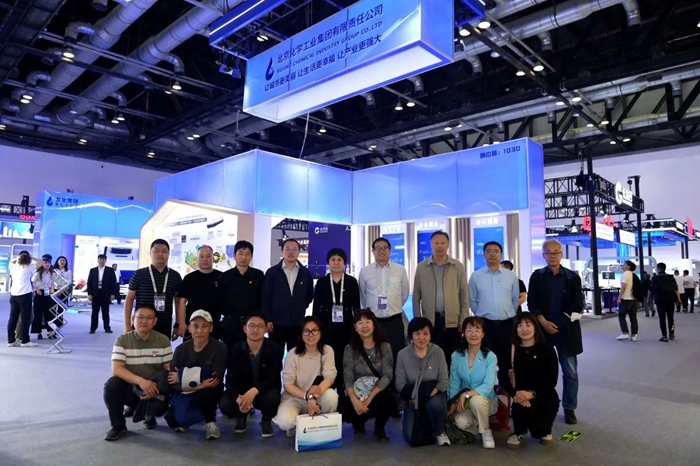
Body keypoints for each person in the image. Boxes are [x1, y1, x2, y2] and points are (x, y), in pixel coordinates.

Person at [527, 239, 584, 425]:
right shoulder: (537, 276)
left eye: (556, 252)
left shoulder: (572, 277)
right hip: (543, 332)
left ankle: (569, 407)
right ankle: (541, 405)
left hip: (566, 332)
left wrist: (559, 324)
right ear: (543, 255)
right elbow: (532, 302)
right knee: (542, 372)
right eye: (549, 253)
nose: (553, 256)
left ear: (561, 254)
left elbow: (578, 304)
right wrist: (543, 322)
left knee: (570, 372)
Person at [103, 305, 173, 441]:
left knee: (165, 385)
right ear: (133, 319)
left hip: (153, 387)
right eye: (140, 317)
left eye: (149, 318)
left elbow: (168, 369)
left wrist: (157, 385)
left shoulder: (163, 340)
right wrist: (141, 382)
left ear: (155, 321)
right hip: (132, 386)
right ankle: (118, 426)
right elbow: (116, 369)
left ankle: (149, 415)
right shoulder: (122, 340)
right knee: (112, 384)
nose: (144, 321)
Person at [165, 310, 228, 440]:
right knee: (173, 421)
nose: (199, 331)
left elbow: (215, 378)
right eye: (195, 326)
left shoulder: (220, 348)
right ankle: (194, 414)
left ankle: (210, 421)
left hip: (208, 390)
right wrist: (199, 384)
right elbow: (172, 380)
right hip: (187, 390)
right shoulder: (181, 349)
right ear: (189, 327)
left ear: (211, 328)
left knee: (208, 391)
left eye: (204, 326)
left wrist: (182, 375)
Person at [272, 316, 339, 437]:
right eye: (306, 331)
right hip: (294, 397)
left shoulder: (327, 350)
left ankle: (320, 424)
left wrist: (313, 397)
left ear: (320, 333)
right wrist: (308, 396)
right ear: (301, 334)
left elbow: (330, 377)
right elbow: (288, 385)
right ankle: (300, 424)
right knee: (285, 422)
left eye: (315, 330)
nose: (310, 334)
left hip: (318, 395)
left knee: (332, 396)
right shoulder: (293, 354)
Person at [220, 313, 283, 438]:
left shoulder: (275, 349)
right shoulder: (236, 349)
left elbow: (273, 378)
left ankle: (266, 419)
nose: (255, 330)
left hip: (263, 391)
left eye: (260, 326)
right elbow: (230, 379)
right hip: (243, 393)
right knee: (225, 404)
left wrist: (254, 391)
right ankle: (242, 415)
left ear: (266, 329)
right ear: (245, 328)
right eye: (252, 326)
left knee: (273, 399)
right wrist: (239, 400)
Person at [469, 241, 520, 397]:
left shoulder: (511, 276)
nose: (492, 254)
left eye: (496, 251)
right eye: (489, 251)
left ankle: (505, 395)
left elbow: (514, 300)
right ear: (484, 254)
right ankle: (485, 395)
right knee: (484, 361)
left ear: (501, 254)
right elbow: (473, 301)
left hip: (506, 325)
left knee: (505, 362)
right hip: (485, 325)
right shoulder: (476, 276)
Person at [413, 231, 469, 366]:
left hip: (453, 321)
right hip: (430, 321)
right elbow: (416, 296)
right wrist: (418, 320)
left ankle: (453, 380)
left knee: (453, 356)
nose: (439, 246)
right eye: (436, 243)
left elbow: (464, 294)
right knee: (432, 356)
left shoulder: (457, 266)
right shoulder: (422, 267)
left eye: (442, 243)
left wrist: (463, 319)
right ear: (431, 244)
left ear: (448, 244)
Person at [505, 313, 559, 449]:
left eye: (528, 325)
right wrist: (515, 394)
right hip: (519, 395)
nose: (524, 329)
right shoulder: (511, 350)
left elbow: (552, 380)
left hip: (543, 394)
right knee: (520, 407)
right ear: (515, 329)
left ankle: (545, 430)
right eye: (520, 325)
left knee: (539, 431)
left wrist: (532, 393)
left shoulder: (547, 349)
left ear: (535, 327)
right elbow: (503, 376)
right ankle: (519, 432)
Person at [395, 317, 450, 446]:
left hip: (434, 395)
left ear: (430, 335)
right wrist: (418, 394)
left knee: (436, 404)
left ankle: (439, 430)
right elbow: (400, 384)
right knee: (410, 437)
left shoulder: (438, 352)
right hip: (412, 399)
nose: (421, 338)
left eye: (425, 333)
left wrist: (434, 391)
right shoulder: (402, 355)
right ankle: (427, 426)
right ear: (411, 336)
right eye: (417, 333)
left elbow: (444, 381)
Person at [313, 247, 361, 393]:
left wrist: (357, 326)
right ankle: (327, 387)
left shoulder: (352, 282)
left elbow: (356, 307)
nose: (336, 262)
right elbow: (316, 307)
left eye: (339, 259)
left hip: (346, 326)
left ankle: (343, 388)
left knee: (344, 357)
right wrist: (316, 327)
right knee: (327, 356)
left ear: (344, 263)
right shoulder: (322, 282)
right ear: (328, 263)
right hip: (326, 325)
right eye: (333, 259)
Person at [343, 309, 394, 443]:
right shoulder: (349, 349)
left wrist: (369, 398)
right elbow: (348, 377)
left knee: (388, 400)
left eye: (367, 322)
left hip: (377, 392)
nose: (364, 326)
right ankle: (358, 423)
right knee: (344, 404)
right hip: (357, 392)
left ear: (374, 324)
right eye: (360, 323)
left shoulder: (384, 347)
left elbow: (387, 375)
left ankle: (379, 427)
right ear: (355, 327)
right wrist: (355, 400)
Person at [447, 317, 499, 449]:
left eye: (477, 330)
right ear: (464, 333)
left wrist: (467, 394)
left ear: (483, 334)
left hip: (486, 400)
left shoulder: (490, 356)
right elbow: (454, 382)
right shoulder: (456, 355)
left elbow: (488, 385)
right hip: (464, 403)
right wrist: (452, 403)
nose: (473, 334)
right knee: (460, 422)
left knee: (476, 400)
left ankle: (486, 431)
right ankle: (477, 424)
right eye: (469, 330)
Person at [359, 237, 410, 365]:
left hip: (394, 320)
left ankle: (396, 378)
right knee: (375, 355)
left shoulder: (400, 270)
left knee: (397, 354)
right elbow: (363, 295)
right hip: (374, 321)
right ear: (373, 251)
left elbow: (404, 294)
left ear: (390, 251)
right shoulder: (365, 271)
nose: (381, 251)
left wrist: (393, 307)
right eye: (378, 248)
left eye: (384, 248)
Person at [262, 238, 314, 352]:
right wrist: (268, 319)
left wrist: (299, 307)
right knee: (274, 356)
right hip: (276, 323)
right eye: (287, 249)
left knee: (296, 356)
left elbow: (309, 295)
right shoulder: (272, 272)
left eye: (294, 249)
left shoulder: (305, 273)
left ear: (299, 252)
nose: (291, 252)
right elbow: (266, 297)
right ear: (282, 251)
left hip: (297, 323)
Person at [124, 239, 182, 339]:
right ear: (150, 253)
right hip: (142, 324)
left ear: (168, 254)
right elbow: (129, 299)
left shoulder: (175, 276)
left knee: (163, 349)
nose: (160, 254)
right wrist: (127, 325)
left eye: (164, 251)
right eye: (156, 251)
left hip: (165, 325)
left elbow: (178, 303)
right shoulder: (139, 275)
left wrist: (177, 324)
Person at [219, 241, 264, 348]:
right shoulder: (226, 276)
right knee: (231, 354)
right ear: (235, 255)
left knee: (252, 353)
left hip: (252, 324)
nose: (244, 257)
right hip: (231, 324)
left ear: (251, 256)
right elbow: (220, 300)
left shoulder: (258, 275)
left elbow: (263, 298)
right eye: (240, 253)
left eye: (247, 254)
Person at [176, 245, 223, 341]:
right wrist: (181, 323)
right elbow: (182, 301)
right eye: (201, 256)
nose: (205, 259)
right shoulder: (189, 279)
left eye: (208, 256)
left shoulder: (221, 277)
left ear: (213, 258)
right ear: (197, 259)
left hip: (214, 325)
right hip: (193, 325)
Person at [7, 251, 41, 347]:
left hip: (14, 295)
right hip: (25, 296)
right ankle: (25, 341)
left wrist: (18, 258)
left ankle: (11, 340)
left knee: (12, 318)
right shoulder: (28, 267)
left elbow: (12, 260)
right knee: (26, 318)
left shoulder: (13, 266)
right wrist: (31, 257)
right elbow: (41, 262)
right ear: (28, 260)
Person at [87, 254, 118, 334]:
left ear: (105, 260)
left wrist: (113, 294)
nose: (101, 261)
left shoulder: (110, 270)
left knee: (105, 312)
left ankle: (107, 328)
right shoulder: (93, 270)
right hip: (95, 294)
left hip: (105, 294)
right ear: (98, 260)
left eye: (103, 259)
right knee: (94, 312)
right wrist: (89, 293)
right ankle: (93, 328)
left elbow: (113, 283)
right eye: (100, 259)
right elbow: (89, 283)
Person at [650, 263, 681, 342]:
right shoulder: (671, 277)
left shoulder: (655, 278)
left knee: (662, 318)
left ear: (658, 269)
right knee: (671, 318)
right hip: (670, 299)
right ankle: (671, 333)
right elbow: (676, 289)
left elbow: (650, 289)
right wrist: (679, 299)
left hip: (660, 300)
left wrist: (648, 298)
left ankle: (664, 336)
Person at [31, 255, 58, 340]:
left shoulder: (52, 273)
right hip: (39, 294)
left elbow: (52, 282)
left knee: (49, 313)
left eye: (48, 263)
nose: (47, 265)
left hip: (48, 293)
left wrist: (52, 289)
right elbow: (31, 282)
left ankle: (50, 331)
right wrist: (36, 289)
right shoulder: (37, 273)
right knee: (38, 313)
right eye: (45, 263)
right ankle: (39, 332)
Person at [616, 261, 639, 342]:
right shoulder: (633, 275)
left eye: (625, 264)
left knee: (621, 316)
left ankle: (625, 333)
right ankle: (634, 335)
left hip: (626, 298)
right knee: (633, 317)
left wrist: (619, 297)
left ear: (629, 266)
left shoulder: (625, 274)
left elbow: (623, 286)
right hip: (633, 299)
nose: (623, 265)